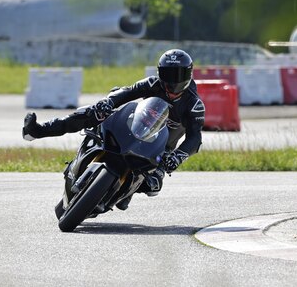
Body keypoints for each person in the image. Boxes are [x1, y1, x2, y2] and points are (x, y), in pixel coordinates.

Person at [23, 49, 205, 210]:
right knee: (92, 112)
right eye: (168, 74)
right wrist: (108, 102)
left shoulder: (194, 104)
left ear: (188, 75)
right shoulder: (153, 83)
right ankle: (37, 131)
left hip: (160, 148)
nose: (172, 82)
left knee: (153, 184)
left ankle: (127, 192)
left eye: (178, 75)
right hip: (133, 128)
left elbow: (195, 138)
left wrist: (178, 156)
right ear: (160, 72)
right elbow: (127, 92)